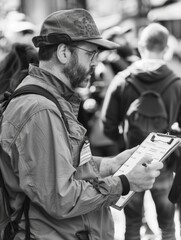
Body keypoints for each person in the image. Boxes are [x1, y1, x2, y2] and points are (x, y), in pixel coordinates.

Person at [0, 9, 163, 240]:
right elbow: (61, 197)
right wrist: (125, 182)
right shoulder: (40, 109)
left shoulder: (49, 101)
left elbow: (64, 166)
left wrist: (112, 163)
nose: (96, 63)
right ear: (64, 52)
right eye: (90, 54)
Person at [101, 22, 181, 240]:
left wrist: (124, 148)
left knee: (132, 226)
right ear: (166, 49)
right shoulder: (177, 83)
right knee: (168, 227)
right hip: (164, 164)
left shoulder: (122, 81)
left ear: (140, 47)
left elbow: (107, 124)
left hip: (131, 163)